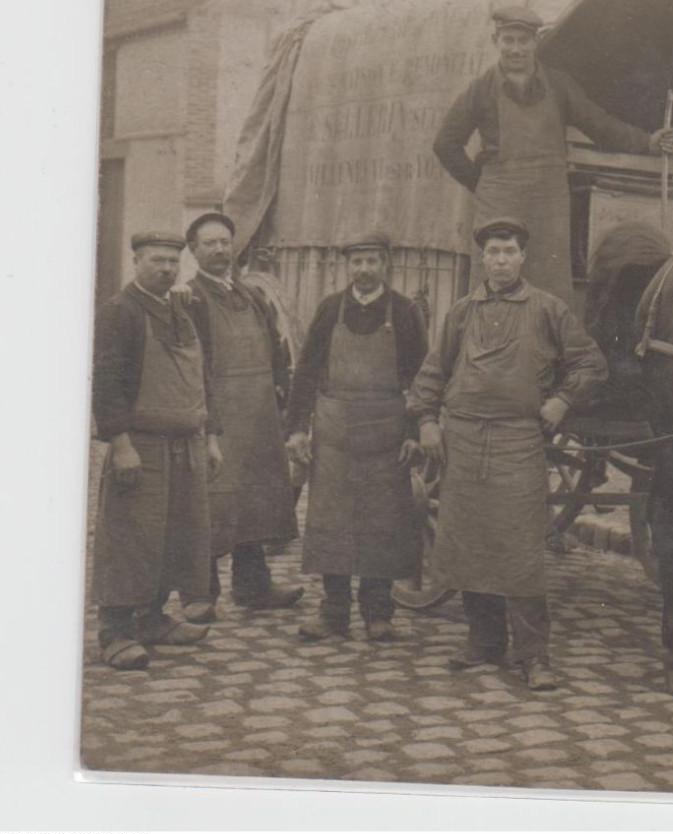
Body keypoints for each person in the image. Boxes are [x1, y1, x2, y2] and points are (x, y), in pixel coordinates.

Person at [407, 216, 608, 690]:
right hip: (463, 438)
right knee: (468, 541)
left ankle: (534, 655)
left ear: (523, 257)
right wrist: (427, 420)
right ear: (483, 258)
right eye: (493, 252)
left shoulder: (548, 309)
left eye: (509, 252)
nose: (501, 261)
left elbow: (591, 363)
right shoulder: (462, 312)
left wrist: (563, 400)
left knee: (519, 548)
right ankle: (484, 642)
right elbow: (433, 371)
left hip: (518, 439)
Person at [431, 1, 673, 299]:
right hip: (499, 201)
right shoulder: (481, 89)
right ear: (495, 41)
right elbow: (445, 143)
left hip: (548, 201)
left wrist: (647, 142)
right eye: (508, 40)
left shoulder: (558, 84)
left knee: (549, 286)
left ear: (535, 42)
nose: (515, 49)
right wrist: (481, 183)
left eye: (523, 41)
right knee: (496, 281)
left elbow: (599, 124)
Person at [284, 231, 429, 642]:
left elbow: (422, 378)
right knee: (331, 521)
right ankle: (333, 611)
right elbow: (305, 371)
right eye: (357, 262)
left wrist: (415, 432)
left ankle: (378, 612)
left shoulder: (405, 311)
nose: (364, 269)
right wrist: (297, 429)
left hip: (386, 433)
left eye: (372, 261)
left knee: (382, 522)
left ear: (385, 265)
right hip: (334, 432)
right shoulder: (330, 308)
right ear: (347, 266)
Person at [89, 231, 222, 670]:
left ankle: (152, 619)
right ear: (136, 262)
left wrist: (211, 436)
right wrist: (121, 444)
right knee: (131, 537)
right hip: (141, 444)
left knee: (175, 535)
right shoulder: (120, 311)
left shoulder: (183, 309)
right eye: (156, 261)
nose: (166, 269)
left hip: (187, 442)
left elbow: (203, 378)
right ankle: (115, 632)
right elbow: (106, 384)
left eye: (172, 262)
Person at [183, 213, 303, 620]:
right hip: (218, 416)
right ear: (194, 251)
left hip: (258, 415)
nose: (220, 250)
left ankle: (254, 586)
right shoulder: (190, 299)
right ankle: (201, 594)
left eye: (225, 242)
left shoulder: (251, 295)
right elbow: (191, 365)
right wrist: (206, 419)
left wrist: (283, 400)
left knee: (255, 500)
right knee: (212, 503)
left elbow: (277, 352)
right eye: (210, 243)